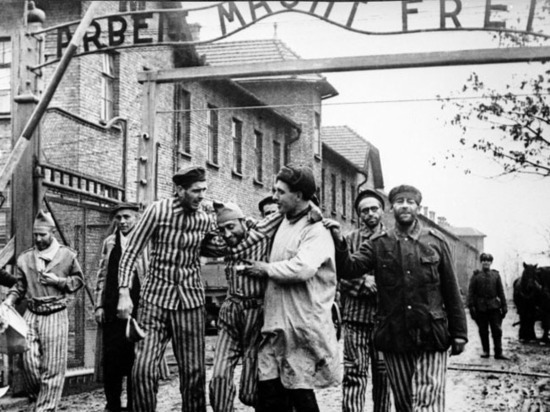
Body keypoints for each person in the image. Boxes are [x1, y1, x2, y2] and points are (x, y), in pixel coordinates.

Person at [327, 184, 467, 412]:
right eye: (400, 202)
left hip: (432, 332)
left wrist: (459, 332)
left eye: (410, 202)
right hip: (395, 335)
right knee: (404, 403)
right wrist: (338, 242)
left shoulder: (436, 242)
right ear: (392, 208)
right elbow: (349, 268)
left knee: (429, 400)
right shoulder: (379, 243)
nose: (405, 206)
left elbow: (451, 289)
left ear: (418, 208)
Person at [117, 166, 220, 412]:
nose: (201, 196)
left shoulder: (205, 218)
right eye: (196, 191)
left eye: (204, 190)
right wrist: (123, 292)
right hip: (155, 301)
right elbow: (131, 252)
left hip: (191, 302)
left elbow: (215, 246)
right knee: (143, 370)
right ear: (180, 189)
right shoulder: (158, 211)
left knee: (194, 373)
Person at [243, 165, 341, 412]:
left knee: (300, 392)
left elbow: (303, 268)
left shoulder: (317, 230)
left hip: (300, 327)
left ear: (298, 195)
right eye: (274, 190)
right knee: (269, 393)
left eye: (280, 192)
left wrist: (266, 269)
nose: (274, 197)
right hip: (275, 324)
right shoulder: (282, 221)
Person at [3, 210, 84, 411]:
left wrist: (59, 281)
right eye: (35, 235)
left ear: (52, 232)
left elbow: (78, 281)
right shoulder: (25, 258)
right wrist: (9, 301)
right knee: (28, 360)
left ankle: (44, 408)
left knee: (53, 366)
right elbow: (20, 286)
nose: (38, 239)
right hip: (31, 313)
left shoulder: (67, 255)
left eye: (42, 234)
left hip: (56, 313)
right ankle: (39, 399)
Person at [208, 201, 283, 412]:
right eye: (222, 229)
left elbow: (287, 209)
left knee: (250, 391)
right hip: (230, 313)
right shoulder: (222, 243)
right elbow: (199, 238)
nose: (227, 234)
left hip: (257, 315)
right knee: (219, 377)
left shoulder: (261, 234)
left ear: (242, 222)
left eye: (231, 227)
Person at [340, 189, 391, 412]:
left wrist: (381, 281)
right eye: (364, 211)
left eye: (374, 209)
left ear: (382, 211)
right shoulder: (349, 240)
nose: (370, 214)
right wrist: (361, 281)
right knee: (354, 374)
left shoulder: (393, 240)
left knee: (384, 377)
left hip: (385, 322)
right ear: (359, 215)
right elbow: (337, 273)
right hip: (356, 320)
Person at [95, 202, 145, 412]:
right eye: (119, 218)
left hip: (139, 308)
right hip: (112, 309)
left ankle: (135, 405)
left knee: (136, 360)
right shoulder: (110, 242)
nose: (123, 222)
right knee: (111, 360)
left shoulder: (145, 241)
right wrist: (99, 305)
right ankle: (112, 404)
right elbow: (102, 275)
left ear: (137, 218)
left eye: (127, 217)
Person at [467, 253, 508, 360]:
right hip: (481, 308)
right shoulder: (476, 276)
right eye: (484, 260)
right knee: (483, 330)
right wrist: (471, 307)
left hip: (494, 307)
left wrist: (504, 305)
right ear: (481, 262)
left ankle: (498, 352)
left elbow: (501, 292)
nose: (486, 262)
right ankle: (486, 351)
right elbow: (471, 293)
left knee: (497, 330)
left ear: (491, 262)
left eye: (488, 261)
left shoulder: (496, 275)